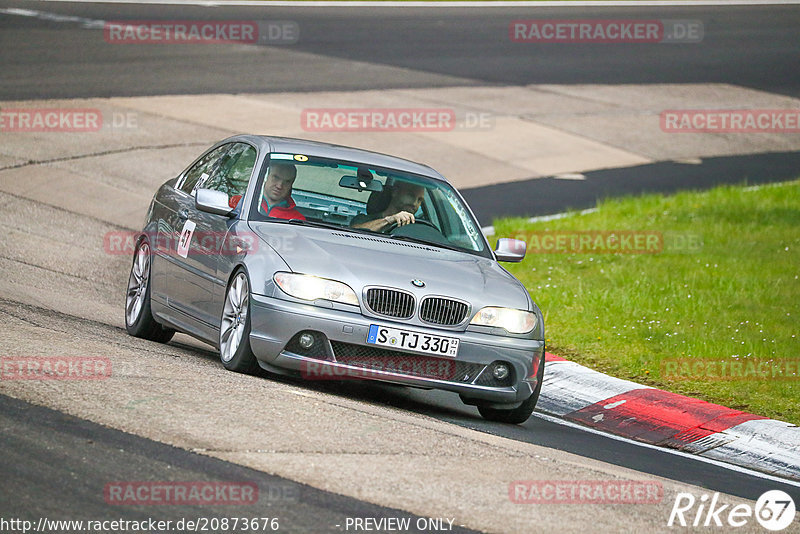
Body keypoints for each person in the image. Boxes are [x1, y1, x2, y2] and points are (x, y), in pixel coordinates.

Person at [351, 181, 425, 232]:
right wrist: (389, 220)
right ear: (395, 192)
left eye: (420, 200)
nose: (414, 203)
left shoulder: (418, 228)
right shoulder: (363, 219)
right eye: (410, 196)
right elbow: (352, 234)